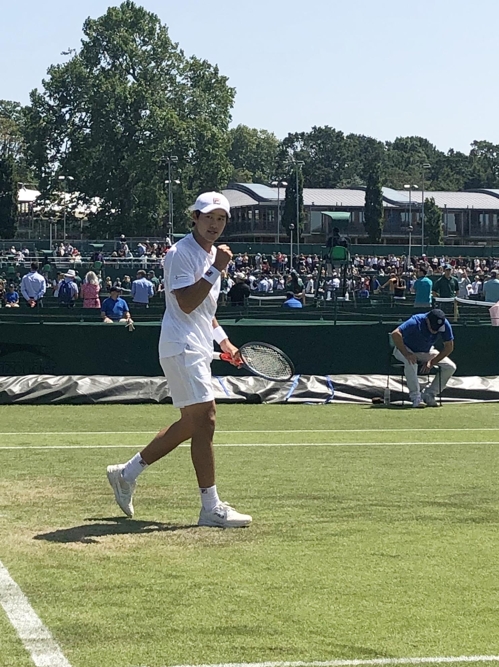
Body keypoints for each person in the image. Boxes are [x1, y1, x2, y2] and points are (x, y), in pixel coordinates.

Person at [106, 191, 251, 528]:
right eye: (208, 217)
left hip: (197, 345)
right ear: (195, 219)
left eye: (221, 218)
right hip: (180, 344)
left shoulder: (214, 255)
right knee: (207, 418)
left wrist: (226, 344)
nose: (215, 224)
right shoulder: (179, 253)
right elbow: (186, 303)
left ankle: (125, 474)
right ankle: (210, 507)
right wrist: (216, 270)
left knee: (193, 423)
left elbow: (206, 312)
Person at [390, 308, 456, 408]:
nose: (435, 331)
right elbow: (395, 334)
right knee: (411, 362)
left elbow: (449, 347)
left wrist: (432, 361)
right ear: (427, 320)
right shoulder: (415, 321)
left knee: (450, 367)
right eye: (433, 327)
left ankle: (429, 394)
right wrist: (407, 353)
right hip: (405, 349)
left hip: (427, 351)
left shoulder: (444, 324)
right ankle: (416, 397)